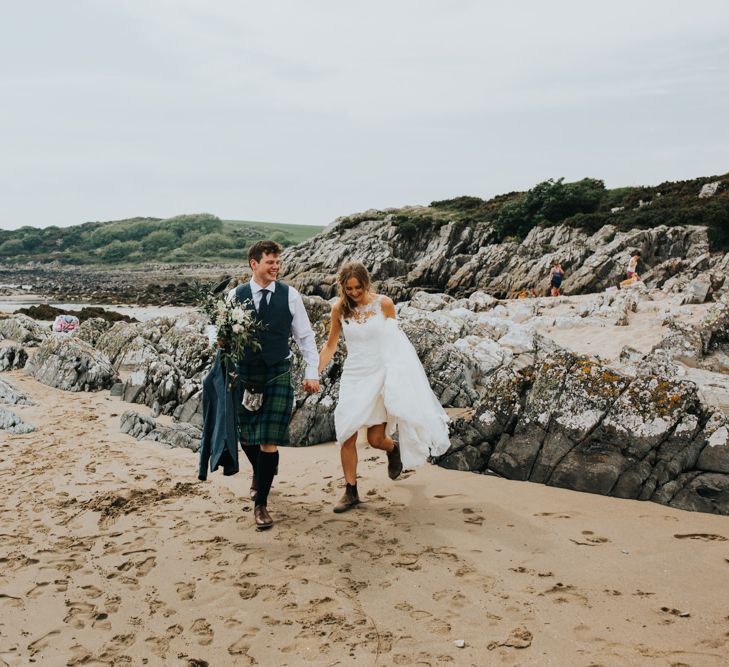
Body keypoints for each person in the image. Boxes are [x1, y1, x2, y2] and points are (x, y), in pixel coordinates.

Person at [318, 261, 451, 513]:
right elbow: (331, 345)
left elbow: (396, 345)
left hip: (380, 375)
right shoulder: (339, 309)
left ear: (366, 283)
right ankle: (350, 491)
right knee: (346, 433)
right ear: (342, 288)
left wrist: (398, 379)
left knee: (376, 439)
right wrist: (314, 371)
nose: (354, 292)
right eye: (349, 288)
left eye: (358, 287)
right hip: (354, 376)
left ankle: (393, 448)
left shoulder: (385, 304)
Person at [232, 240, 320, 530]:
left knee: (268, 440)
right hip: (244, 373)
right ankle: (260, 470)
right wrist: (217, 342)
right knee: (246, 436)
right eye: (270, 262)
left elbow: (305, 337)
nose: (276, 267)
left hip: (278, 372)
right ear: (254, 263)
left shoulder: (289, 295)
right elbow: (218, 330)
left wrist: (312, 372)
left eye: (278, 262)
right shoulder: (236, 295)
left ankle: (261, 505)